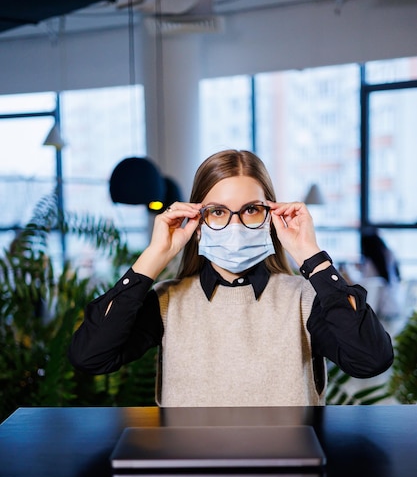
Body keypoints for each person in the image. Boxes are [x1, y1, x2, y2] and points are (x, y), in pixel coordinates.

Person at [68, 149, 393, 406]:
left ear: (270, 217)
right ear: (197, 221)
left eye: (251, 209)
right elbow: (89, 356)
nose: (235, 225)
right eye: (218, 212)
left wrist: (311, 255)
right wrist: (153, 259)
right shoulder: (166, 302)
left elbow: (371, 359)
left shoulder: (305, 300)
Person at [360, 229, 403, 322]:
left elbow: (365, 282)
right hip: (396, 302)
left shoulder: (370, 262)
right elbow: (398, 276)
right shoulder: (389, 253)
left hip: (380, 311)